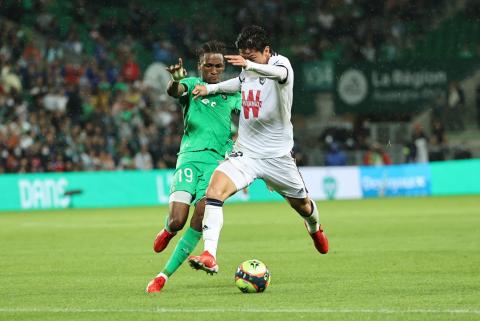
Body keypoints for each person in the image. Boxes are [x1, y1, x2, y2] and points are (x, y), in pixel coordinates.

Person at [187, 26, 329, 275]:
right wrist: (210, 89)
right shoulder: (248, 70)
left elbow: (277, 74)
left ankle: (314, 227)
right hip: (246, 153)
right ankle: (210, 254)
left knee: (303, 205)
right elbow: (239, 82)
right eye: (243, 58)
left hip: (277, 157)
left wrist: (251, 65)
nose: (245, 63)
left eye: (250, 58)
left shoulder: (280, 64)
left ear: (266, 51)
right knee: (214, 191)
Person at [146, 41, 241, 292]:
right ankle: (168, 229)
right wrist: (176, 80)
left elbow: (252, 115)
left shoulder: (230, 93)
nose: (213, 69)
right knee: (178, 220)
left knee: (199, 218)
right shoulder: (192, 85)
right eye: (208, 65)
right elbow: (174, 90)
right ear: (200, 66)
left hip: (215, 164)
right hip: (189, 158)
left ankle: (162, 277)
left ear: (223, 68)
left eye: (218, 65)